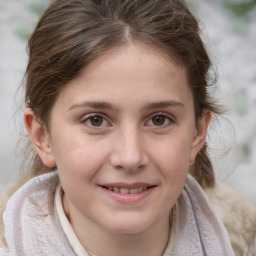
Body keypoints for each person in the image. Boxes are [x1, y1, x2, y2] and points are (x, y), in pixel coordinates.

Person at [0, 0, 255, 255]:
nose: (130, 157)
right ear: (43, 136)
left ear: (197, 133)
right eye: (95, 120)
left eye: (159, 119)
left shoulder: (242, 240)